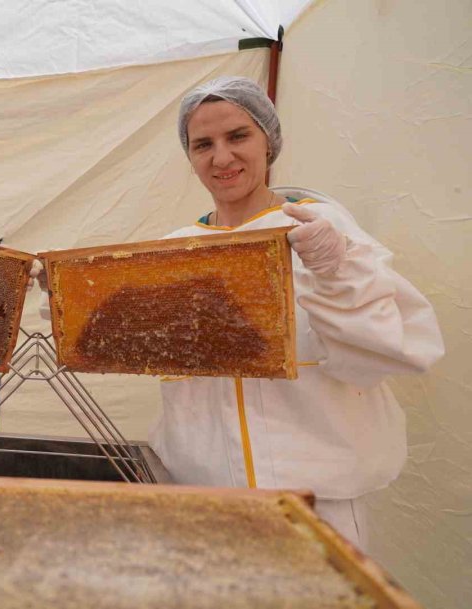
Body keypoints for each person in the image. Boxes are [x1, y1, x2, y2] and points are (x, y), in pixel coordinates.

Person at [146, 76, 444, 550]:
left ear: (268, 140)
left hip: (318, 505)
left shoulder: (322, 227)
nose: (221, 157)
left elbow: (385, 354)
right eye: (203, 144)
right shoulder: (174, 249)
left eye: (238, 136)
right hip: (204, 502)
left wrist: (338, 270)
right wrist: (73, 296)